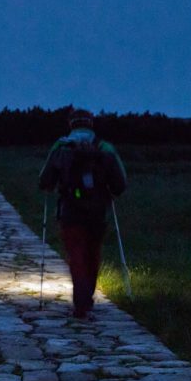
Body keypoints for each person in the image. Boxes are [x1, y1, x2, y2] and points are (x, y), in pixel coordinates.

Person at [38, 108, 127, 319]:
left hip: (70, 210)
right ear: (91, 124)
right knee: (93, 253)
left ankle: (81, 302)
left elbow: (45, 180)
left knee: (76, 254)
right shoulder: (105, 148)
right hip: (99, 211)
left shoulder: (61, 146)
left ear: (71, 124)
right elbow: (120, 183)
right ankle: (87, 297)